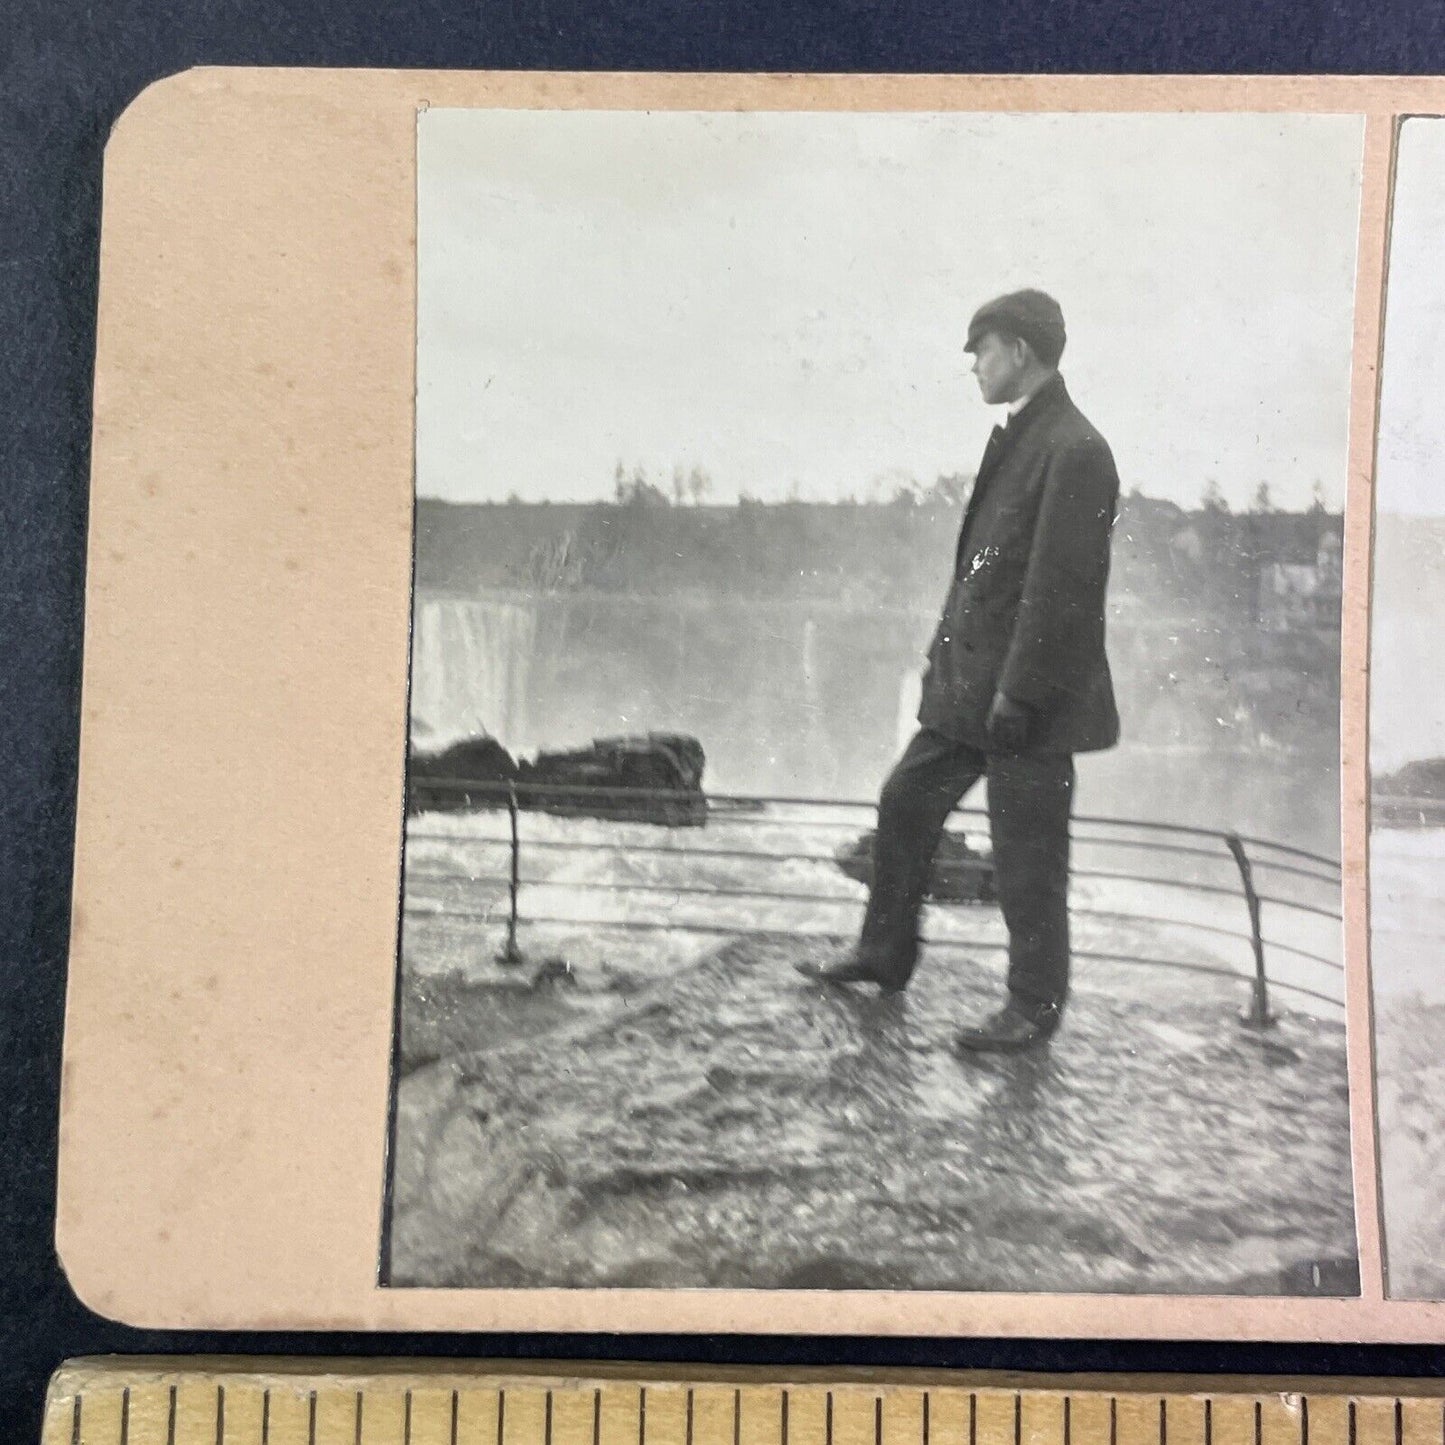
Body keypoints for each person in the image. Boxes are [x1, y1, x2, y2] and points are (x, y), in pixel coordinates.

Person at [797, 289, 1121, 1053]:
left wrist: (1016, 692)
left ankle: (1031, 1007)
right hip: (977, 693)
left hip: (1025, 700)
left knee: (1027, 854)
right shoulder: (1026, 438)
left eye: (981, 348)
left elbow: (1058, 590)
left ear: (1020, 350)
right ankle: (885, 950)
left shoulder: (1073, 448)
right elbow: (990, 576)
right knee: (905, 798)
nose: (973, 363)